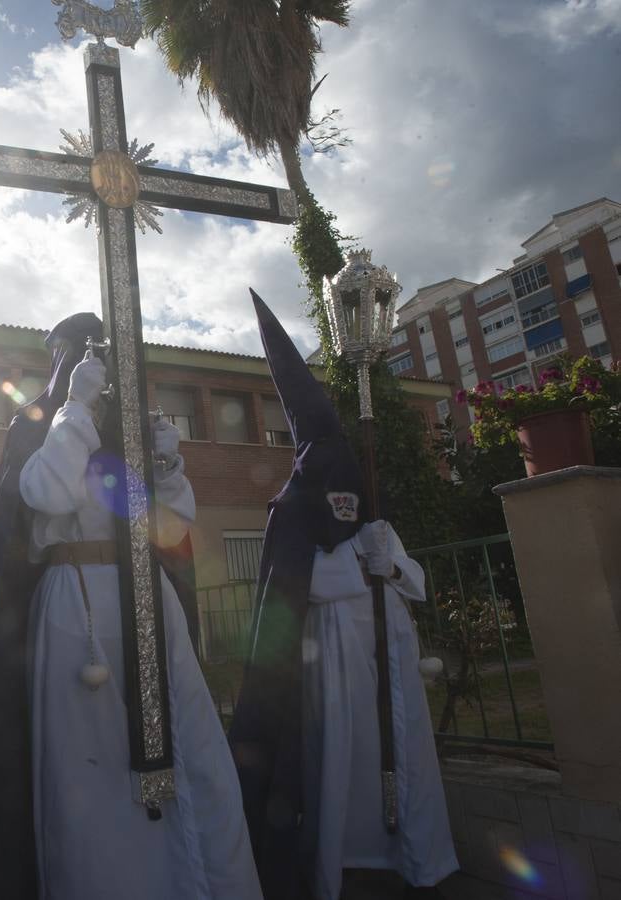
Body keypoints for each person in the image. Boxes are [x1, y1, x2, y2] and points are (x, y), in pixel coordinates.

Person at [0, 312, 262, 900]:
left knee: (189, 754)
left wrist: (167, 465)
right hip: (75, 610)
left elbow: (168, 529)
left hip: (147, 607)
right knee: (90, 772)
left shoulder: (124, 442)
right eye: (79, 357)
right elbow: (45, 491)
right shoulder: (39, 427)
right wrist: (74, 410)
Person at [229, 291, 456, 900]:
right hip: (330, 662)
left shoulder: (374, 523)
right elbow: (301, 589)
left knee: (402, 756)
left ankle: (416, 858)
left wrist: (392, 566)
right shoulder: (292, 515)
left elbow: (419, 585)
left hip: (390, 658)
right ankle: (346, 865)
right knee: (345, 765)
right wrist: (364, 575)